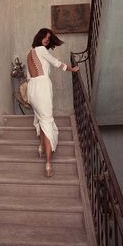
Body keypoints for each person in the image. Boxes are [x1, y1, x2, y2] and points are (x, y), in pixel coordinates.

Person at [27, 28, 79, 177]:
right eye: (45, 37)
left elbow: (28, 76)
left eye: (48, 39)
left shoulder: (28, 53)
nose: (46, 40)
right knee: (48, 122)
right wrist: (72, 69)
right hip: (42, 86)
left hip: (32, 88)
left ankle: (41, 147)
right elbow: (57, 63)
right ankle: (48, 164)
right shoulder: (42, 50)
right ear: (39, 37)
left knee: (42, 119)